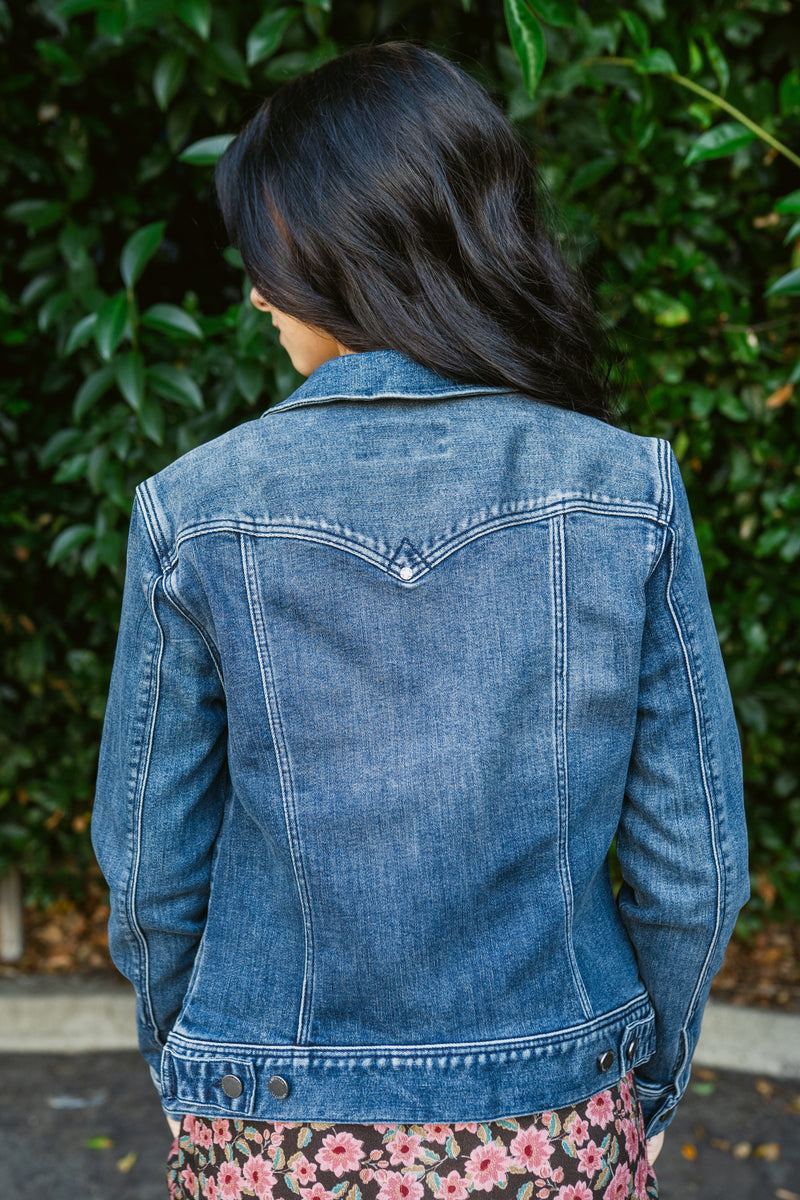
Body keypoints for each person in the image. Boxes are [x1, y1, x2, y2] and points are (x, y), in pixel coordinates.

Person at [91, 42, 750, 1200]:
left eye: (264, 255)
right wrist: (630, 1086)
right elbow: (691, 871)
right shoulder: (623, 489)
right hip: (551, 1116)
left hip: (271, 1126)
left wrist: (206, 1070)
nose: (254, 293)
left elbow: (149, 876)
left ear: (332, 247)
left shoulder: (193, 511)